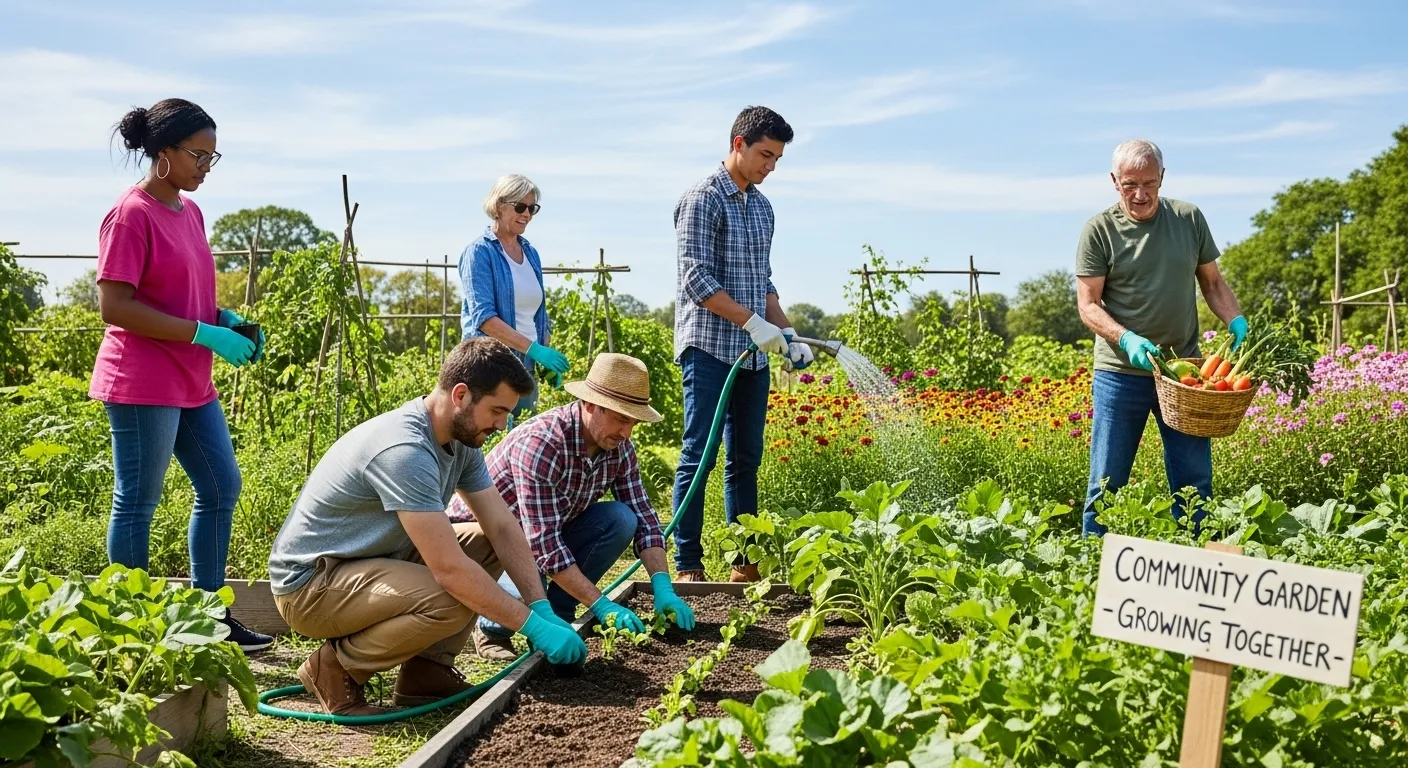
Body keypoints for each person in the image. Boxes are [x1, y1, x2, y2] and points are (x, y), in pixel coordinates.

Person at [267, 338, 587, 716]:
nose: (502, 425)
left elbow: (502, 526)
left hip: (369, 563)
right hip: (312, 585)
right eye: (497, 410)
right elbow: (450, 571)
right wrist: (533, 628)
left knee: (483, 542)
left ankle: (426, 673)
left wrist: (540, 605)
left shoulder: (461, 441)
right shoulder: (406, 450)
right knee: (452, 596)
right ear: (461, 395)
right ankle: (334, 669)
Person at [93, 98, 271, 651]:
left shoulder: (189, 212)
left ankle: (208, 616)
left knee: (221, 486)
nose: (205, 167)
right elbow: (115, 306)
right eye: (198, 155)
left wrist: (224, 320)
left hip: (190, 379)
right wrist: (203, 335)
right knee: (138, 501)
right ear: (163, 152)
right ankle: (130, 629)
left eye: (213, 157)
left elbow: (182, 295)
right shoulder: (131, 215)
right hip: (142, 380)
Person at [447, 353, 697, 661]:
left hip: (542, 534)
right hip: (485, 544)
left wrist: (662, 585)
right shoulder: (543, 443)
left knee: (621, 519)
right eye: (621, 419)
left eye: (633, 423)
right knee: (522, 595)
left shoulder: (618, 448)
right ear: (590, 405)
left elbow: (644, 515)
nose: (627, 433)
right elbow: (544, 545)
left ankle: (560, 614)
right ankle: (491, 629)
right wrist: (601, 605)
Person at [669, 106, 815, 583]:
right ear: (738, 144)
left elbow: (762, 282)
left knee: (746, 459)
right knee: (700, 454)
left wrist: (787, 332)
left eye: (777, 159)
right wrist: (752, 323)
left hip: (752, 356)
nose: (770, 166)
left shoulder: (762, 208)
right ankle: (688, 564)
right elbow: (696, 279)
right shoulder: (703, 198)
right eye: (764, 155)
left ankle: (743, 564)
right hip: (709, 348)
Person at [1075, 139, 1248, 536]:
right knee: (1106, 483)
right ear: (1114, 181)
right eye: (1130, 184)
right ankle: (1089, 562)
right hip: (1121, 374)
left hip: (1185, 375)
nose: (1140, 194)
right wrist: (1127, 339)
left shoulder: (1188, 219)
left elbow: (1213, 282)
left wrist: (1236, 319)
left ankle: (1197, 558)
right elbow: (1088, 305)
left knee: (1194, 483)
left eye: (1149, 183)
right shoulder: (1098, 231)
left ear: (1162, 177)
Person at [458, 174, 570, 416]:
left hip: (526, 367)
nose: (527, 214)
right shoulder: (479, 253)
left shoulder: (530, 253)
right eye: (520, 207)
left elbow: (536, 313)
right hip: (490, 368)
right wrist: (535, 349)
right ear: (499, 206)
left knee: (523, 435)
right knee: (492, 433)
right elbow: (485, 319)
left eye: (532, 208)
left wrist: (542, 354)